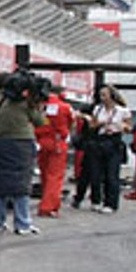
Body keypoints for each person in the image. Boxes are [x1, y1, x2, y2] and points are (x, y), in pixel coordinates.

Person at [0, 78, 46, 235]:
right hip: (22, 144)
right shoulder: (25, 104)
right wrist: (37, 103)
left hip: (0, 143)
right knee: (21, 185)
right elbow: (41, 121)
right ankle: (22, 223)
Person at [81, 85, 131, 212]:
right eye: (101, 95)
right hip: (99, 140)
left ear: (112, 96)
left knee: (111, 174)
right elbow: (92, 125)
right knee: (95, 173)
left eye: (104, 95)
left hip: (114, 141)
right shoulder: (98, 109)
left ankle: (110, 203)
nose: (102, 98)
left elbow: (128, 127)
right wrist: (101, 123)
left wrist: (120, 126)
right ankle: (96, 199)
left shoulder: (122, 111)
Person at [34, 85, 75, 218]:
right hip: (57, 142)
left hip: (41, 141)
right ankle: (49, 206)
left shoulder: (39, 105)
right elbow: (71, 123)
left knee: (45, 174)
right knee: (55, 176)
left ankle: (45, 202)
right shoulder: (65, 107)